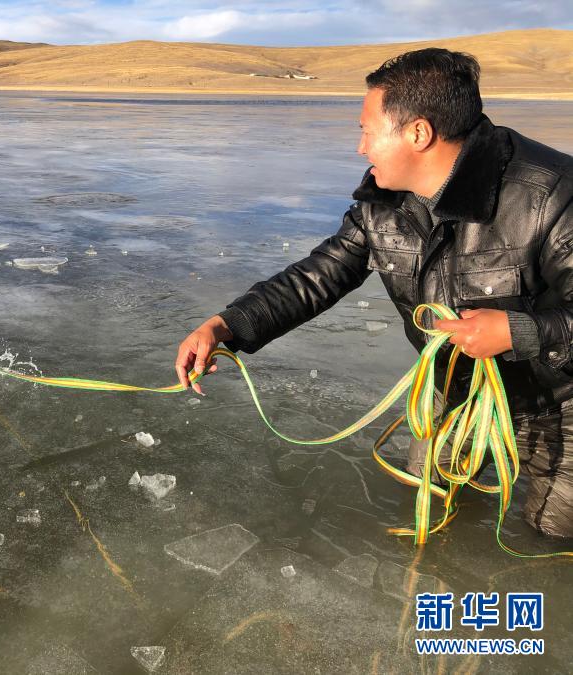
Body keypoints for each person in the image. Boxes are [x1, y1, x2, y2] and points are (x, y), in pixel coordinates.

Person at [175, 48, 573, 537]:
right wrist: (226, 326)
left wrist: (518, 331)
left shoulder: (552, 194)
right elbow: (319, 276)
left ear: (418, 133)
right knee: (432, 505)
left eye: (366, 130)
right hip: (453, 396)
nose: (360, 148)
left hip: (562, 408)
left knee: (549, 539)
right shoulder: (382, 201)